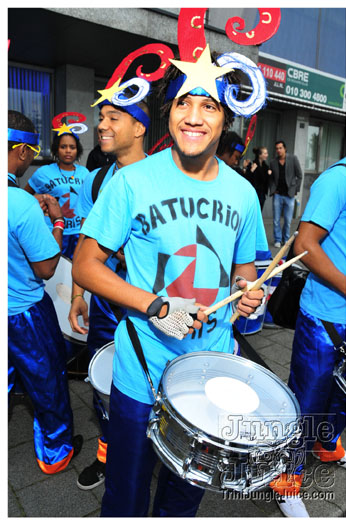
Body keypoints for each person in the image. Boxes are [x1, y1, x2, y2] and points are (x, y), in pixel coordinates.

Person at [72, 44, 268, 517]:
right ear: (169, 113)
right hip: (142, 364)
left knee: (185, 495)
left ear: (225, 120)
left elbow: (246, 272)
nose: (195, 116)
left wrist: (251, 295)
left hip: (210, 372)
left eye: (210, 105)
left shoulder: (242, 193)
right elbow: (85, 265)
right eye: (184, 102)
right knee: (126, 492)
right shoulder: (132, 181)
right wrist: (158, 307)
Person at [69, 92, 150, 490]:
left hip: (151, 311)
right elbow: (83, 247)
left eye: (114, 117)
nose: (101, 125)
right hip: (104, 305)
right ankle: (109, 454)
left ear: (139, 127)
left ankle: (151, 450)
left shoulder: (163, 179)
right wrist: (77, 295)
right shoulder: (96, 179)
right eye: (101, 116)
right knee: (105, 383)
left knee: (153, 384)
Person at [270, 159, 346, 517]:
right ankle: (286, 477)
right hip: (325, 315)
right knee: (307, 398)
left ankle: (327, 442)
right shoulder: (338, 179)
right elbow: (306, 244)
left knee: (342, 394)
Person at [8, 110, 82, 474]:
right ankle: (55, 453)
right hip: (22, 314)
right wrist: (54, 220)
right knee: (48, 380)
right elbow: (47, 267)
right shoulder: (19, 203)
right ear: (22, 152)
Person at [24, 125, 89, 260]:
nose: (68, 151)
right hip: (53, 231)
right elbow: (24, 197)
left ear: (78, 150)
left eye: (72, 147)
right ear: (56, 149)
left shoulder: (85, 173)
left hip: (79, 233)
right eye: (63, 147)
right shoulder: (43, 172)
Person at [269, 140, 302, 247]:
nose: (278, 150)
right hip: (277, 195)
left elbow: (299, 175)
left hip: (289, 195)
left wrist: (295, 190)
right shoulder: (273, 162)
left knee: (288, 220)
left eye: (280, 148)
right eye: (277, 148)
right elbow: (272, 178)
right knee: (276, 220)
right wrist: (273, 190)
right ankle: (278, 239)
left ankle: (286, 239)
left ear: (285, 148)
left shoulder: (293, 159)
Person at [245, 146, 271, 210]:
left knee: (259, 210)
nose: (266, 155)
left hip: (262, 193)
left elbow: (266, 180)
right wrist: (251, 171)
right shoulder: (252, 164)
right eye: (264, 153)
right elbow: (247, 178)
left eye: (267, 153)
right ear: (260, 155)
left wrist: (269, 174)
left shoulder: (266, 167)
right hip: (254, 192)